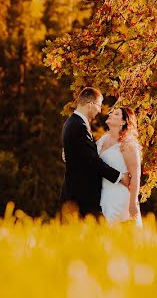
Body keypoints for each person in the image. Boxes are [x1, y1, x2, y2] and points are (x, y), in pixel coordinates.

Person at [60, 87, 131, 217]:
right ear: (91, 105)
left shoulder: (72, 122)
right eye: (98, 106)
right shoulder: (79, 126)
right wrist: (120, 177)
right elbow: (92, 161)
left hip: (77, 195)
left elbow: (81, 153)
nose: (99, 110)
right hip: (81, 197)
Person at [97, 107, 142, 225]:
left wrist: (133, 203)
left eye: (116, 114)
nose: (111, 114)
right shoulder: (102, 139)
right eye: (112, 112)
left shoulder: (128, 144)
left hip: (122, 198)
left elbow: (136, 176)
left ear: (123, 122)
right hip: (104, 196)